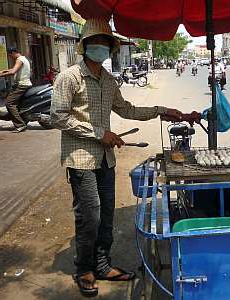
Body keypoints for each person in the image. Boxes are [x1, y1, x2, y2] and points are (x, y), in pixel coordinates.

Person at [50, 18, 194, 298]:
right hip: (80, 159)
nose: (101, 48)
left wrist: (162, 110)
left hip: (105, 160)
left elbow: (127, 110)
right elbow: (58, 116)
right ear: (85, 46)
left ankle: (103, 265)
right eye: (96, 43)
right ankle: (85, 269)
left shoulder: (108, 80)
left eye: (106, 43)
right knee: (88, 215)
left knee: (105, 215)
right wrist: (99, 133)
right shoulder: (69, 77)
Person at [0, 48, 32, 132]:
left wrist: (1, 75)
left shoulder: (19, 60)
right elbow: (14, 70)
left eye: (10, 55)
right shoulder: (23, 58)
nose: (10, 57)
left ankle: (20, 125)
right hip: (23, 84)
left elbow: (13, 71)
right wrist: (3, 71)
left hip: (21, 85)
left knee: (9, 103)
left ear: (13, 53)